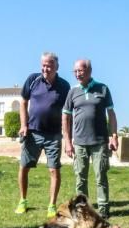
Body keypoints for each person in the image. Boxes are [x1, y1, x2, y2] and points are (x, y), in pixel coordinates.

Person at [61, 59, 118, 218]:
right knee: (80, 179)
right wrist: (67, 141)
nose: (78, 74)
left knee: (101, 177)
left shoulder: (103, 89)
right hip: (79, 143)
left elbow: (111, 114)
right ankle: (83, 210)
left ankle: (103, 210)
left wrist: (114, 136)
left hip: (100, 142)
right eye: (75, 71)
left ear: (89, 71)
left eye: (81, 70)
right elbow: (65, 117)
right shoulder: (72, 92)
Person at [16, 52, 70, 217]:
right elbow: (23, 102)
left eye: (49, 65)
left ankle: (52, 205)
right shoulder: (32, 80)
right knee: (24, 167)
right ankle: (22, 201)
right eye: (44, 65)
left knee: (54, 170)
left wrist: (68, 136)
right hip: (32, 132)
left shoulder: (64, 86)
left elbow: (67, 112)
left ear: (57, 67)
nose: (46, 68)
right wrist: (24, 125)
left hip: (53, 135)